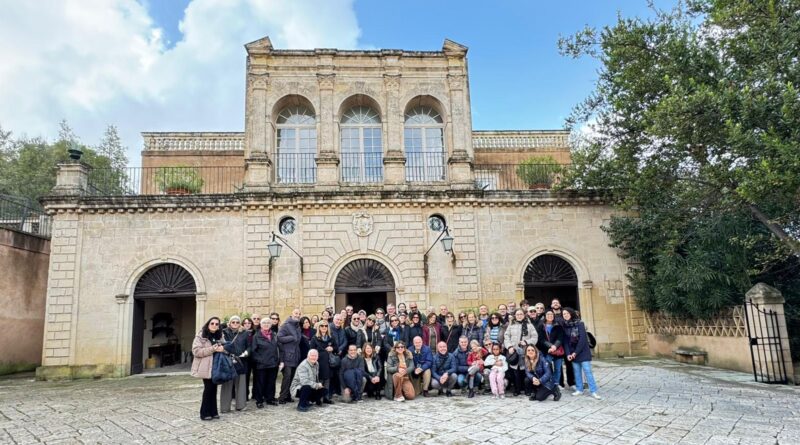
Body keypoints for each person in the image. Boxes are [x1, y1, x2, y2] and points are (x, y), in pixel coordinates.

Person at [563, 307, 601, 400]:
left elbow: (582, 340)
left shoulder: (580, 323)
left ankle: (593, 391)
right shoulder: (565, 326)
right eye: (563, 314)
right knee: (576, 372)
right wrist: (568, 353)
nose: (565, 315)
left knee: (587, 371)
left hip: (582, 352)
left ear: (571, 313)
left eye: (567, 313)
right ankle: (579, 389)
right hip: (572, 353)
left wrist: (575, 353)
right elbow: (565, 341)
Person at [191, 317, 225, 420]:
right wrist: (212, 349)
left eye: (217, 324)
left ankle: (213, 411)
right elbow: (196, 351)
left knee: (214, 389)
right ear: (208, 324)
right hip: (205, 366)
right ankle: (204, 413)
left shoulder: (220, 336)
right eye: (212, 323)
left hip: (216, 366)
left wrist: (223, 349)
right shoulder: (201, 336)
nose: (214, 325)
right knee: (208, 389)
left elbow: (225, 347)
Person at [504, 309, 538, 396]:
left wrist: (526, 342)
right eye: (517, 314)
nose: (519, 316)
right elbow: (506, 337)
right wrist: (509, 346)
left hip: (526, 351)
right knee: (515, 371)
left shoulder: (529, 325)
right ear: (515, 315)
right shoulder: (511, 325)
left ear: (524, 315)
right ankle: (517, 389)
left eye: (521, 314)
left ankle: (527, 389)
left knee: (526, 370)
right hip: (514, 351)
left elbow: (535, 337)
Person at [220, 315, 248, 413]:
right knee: (227, 384)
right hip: (227, 360)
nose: (235, 324)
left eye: (237, 322)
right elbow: (221, 344)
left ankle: (240, 405)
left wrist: (246, 352)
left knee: (241, 384)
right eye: (233, 322)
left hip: (240, 361)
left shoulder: (244, 333)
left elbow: (249, 346)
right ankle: (224, 407)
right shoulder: (224, 332)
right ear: (230, 323)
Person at [250, 318, 280, 408]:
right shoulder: (256, 336)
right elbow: (253, 351)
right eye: (264, 323)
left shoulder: (274, 335)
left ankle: (270, 399)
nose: (266, 324)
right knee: (260, 383)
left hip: (273, 363)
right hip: (261, 364)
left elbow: (278, 348)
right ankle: (259, 400)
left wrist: (278, 359)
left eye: (268, 323)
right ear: (261, 325)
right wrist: (260, 360)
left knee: (271, 382)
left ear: (271, 325)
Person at [277, 308, 302, 404]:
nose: (297, 315)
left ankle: (288, 396)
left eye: (299, 313)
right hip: (287, 355)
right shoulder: (286, 325)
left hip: (295, 355)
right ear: (292, 314)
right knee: (286, 377)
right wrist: (292, 338)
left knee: (292, 377)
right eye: (296, 313)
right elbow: (279, 337)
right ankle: (282, 397)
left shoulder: (297, 326)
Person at [308, 320, 337, 404]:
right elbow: (311, 350)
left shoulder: (331, 337)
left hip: (328, 362)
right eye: (322, 326)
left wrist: (332, 348)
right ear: (319, 327)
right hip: (318, 362)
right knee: (320, 380)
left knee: (327, 380)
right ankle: (318, 398)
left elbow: (336, 347)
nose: (324, 327)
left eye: (325, 326)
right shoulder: (314, 338)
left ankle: (326, 397)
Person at [537, 310, 565, 391]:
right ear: (545, 316)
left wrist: (554, 346)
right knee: (547, 369)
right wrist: (550, 346)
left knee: (558, 369)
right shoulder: (541, 326)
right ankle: (549, 383)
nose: (550, 315)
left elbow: (560, 338)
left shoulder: (558, 326)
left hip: (557, 351)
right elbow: (541, 339)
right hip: (547, 351)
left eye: (551, 314)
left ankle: (556, 384)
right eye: (548, 314)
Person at [328, 314, 347, 398]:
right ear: (333, 320)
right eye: (337, 319)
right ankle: (330, 391)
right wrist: (336, 349)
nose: (338, 321)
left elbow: (345, 341)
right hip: (331, 354)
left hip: (340, 354)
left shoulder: (342, 330)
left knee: (339, 373)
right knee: (331, 373)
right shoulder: (329, 328)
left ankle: (338, 390)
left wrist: (340, 349)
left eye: (340, 320)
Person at [241, 317, 255, 400]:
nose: (247, 325)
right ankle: (244, 395)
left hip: (253, 358)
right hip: (243, 358)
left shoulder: (254, 333)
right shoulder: (240, 332)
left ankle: (253, 394)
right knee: (244, 377)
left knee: (252, 377)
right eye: (245, 323)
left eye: (249, 323)